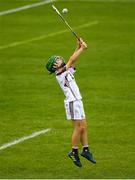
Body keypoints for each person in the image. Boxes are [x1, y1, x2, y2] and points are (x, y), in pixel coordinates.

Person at [46, 38, 96, 167]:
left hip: (78, 101)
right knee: (78, 127)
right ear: (54, 67)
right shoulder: (59, 73)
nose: (59, 59)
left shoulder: (65, 70)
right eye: (56, 60)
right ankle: (74, 152)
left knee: (84, 126)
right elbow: (71, 60)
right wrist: (82, 49)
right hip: (72, 102)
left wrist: (78, 47)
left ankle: (86, 150)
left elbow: (72, 60)